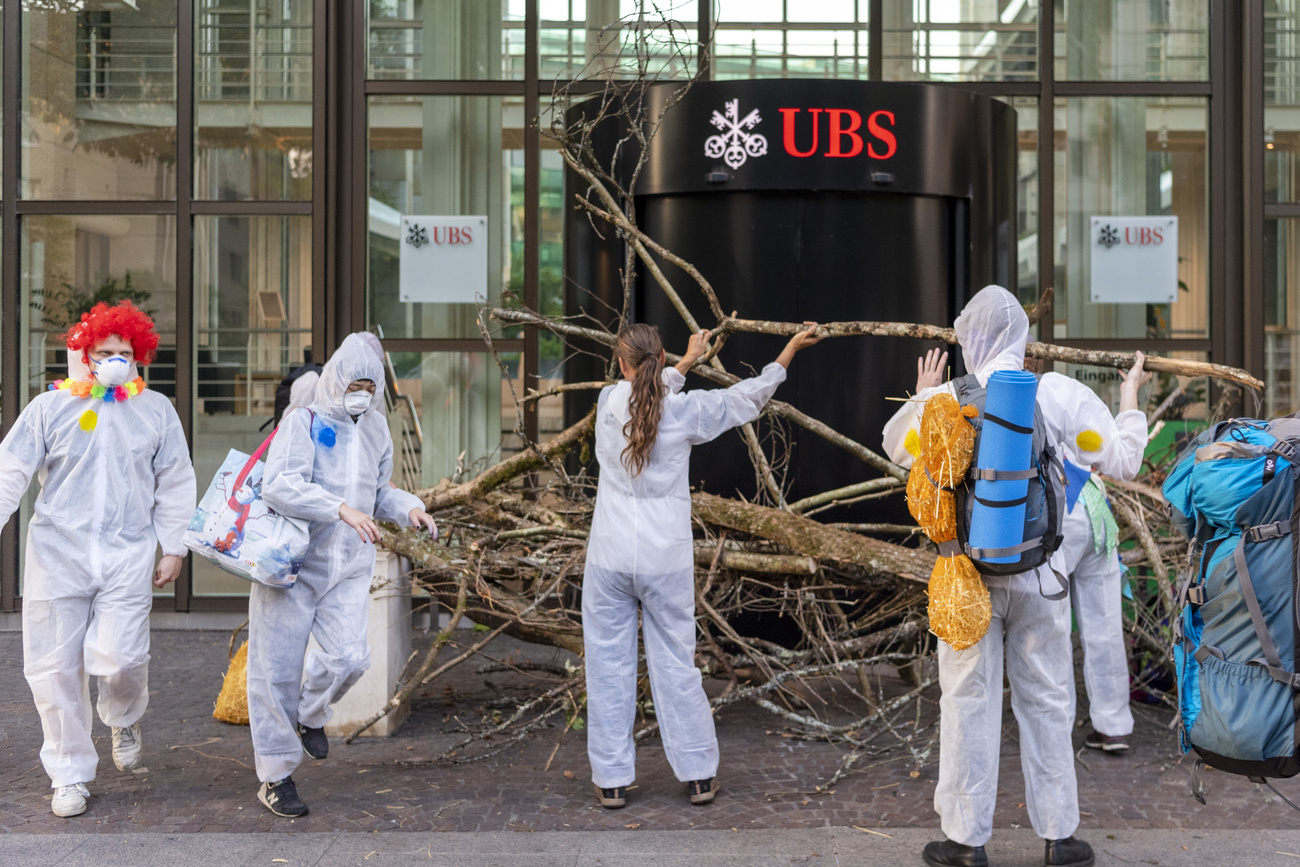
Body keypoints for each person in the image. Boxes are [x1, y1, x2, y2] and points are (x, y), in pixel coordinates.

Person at [881, 285, 1147, 867]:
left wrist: (925, 396)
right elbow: (1121, 459)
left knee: (968, 698)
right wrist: (1129, 399)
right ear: (1023, 338)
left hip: (969, 579)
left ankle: (966, 842)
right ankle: (1059, 837)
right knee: (1049, 698)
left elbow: (897, 448)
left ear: (971, 339)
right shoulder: (1056, 394)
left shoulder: (951, 397)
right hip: (1041, 575)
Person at [583, 321, 822, 809]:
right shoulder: (686, 412)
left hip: (608, 558)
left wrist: (683, 363)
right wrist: (788, 351)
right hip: (664, 561)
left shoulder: (608, 403)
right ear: (662, 356)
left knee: (608, 667)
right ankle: (697, 776)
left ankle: (611, 780)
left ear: (620, 364)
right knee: (676, 665)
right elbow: (745, 400)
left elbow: (647, 392)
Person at [0, 301, 197, 819]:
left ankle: (124, 715)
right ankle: (68, 774)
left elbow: (175, 478)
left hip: (127, 553)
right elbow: (11, 469)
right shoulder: (49, 409)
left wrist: (173, 544)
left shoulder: (154, 411)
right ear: (84, 354)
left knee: (122, 655)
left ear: (139, 358)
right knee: (53, 668)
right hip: (56, 554)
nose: (114, 359)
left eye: (124, 353)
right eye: (104, 351)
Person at [246, 332, 437, 818]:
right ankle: (276, 777)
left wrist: (409, 508)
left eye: (371, 387)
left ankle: (311, 716)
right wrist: (338, 508)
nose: (364, 394)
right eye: (357, 383)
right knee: (274, 673)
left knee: (351, 657)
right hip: (291, 563)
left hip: (348, 565)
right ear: (336, 378)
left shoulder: (374, 428)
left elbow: (380, 490)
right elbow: (280, 485)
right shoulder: (303, 421)